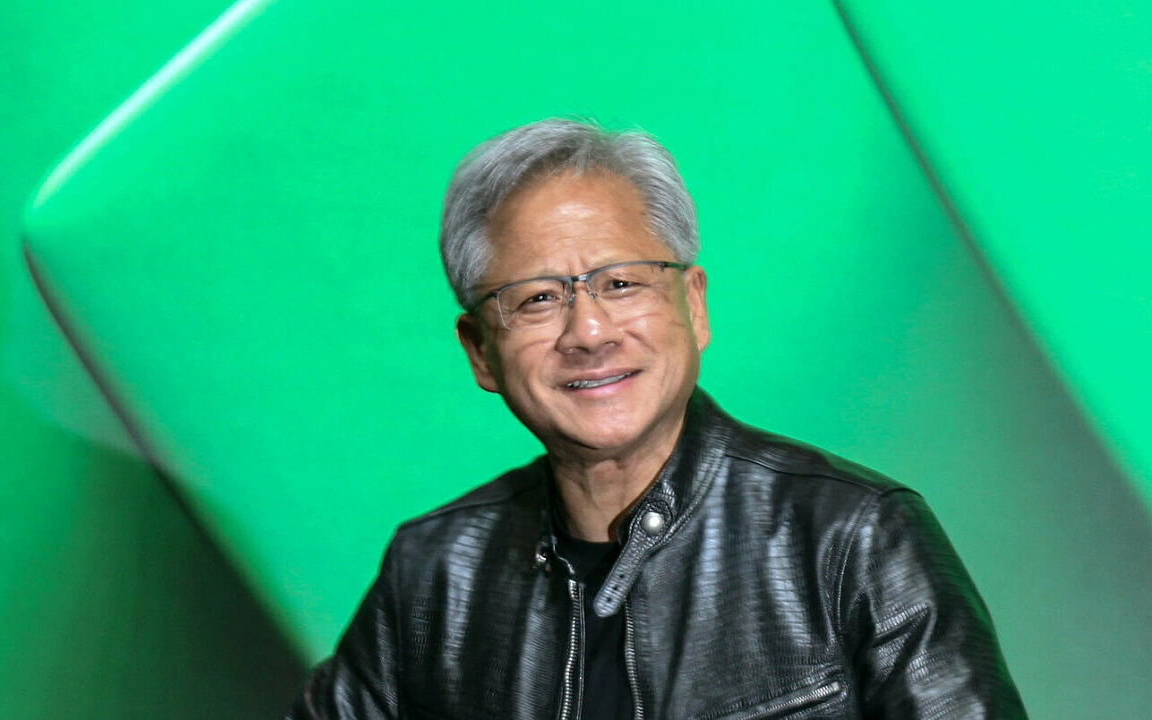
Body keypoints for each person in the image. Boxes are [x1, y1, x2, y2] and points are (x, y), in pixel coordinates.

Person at [286, 118, 1027, 719]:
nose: (589, 332)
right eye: (538, 299)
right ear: (481, 350)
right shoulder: (435, 571)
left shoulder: (852, 537)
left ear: (694, 306)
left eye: (621, 283)